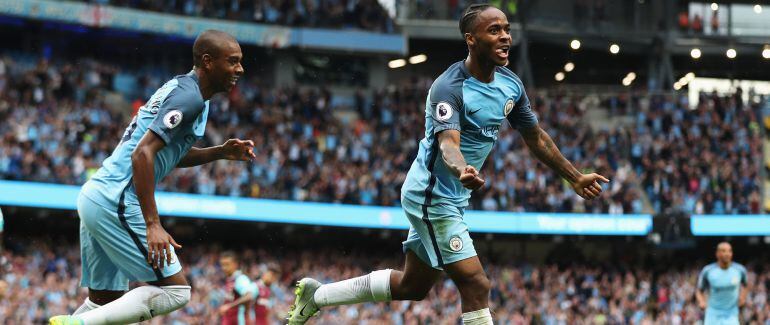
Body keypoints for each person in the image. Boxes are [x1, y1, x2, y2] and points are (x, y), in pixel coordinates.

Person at [287, 4, 609, 325]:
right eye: (494, 30)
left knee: (412, 286)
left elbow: (535, 137)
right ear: (471, 39)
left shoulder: (511, 85)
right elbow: (448, 144)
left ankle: (316, 297)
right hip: (431, 195)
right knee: (476, 283)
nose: (505, 37)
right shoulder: (449, 87)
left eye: (507, 29)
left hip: (453, 197)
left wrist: (575, 177)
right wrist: (461, 169)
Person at [49, 29, 252, 325]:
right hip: (115, 200)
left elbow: (167, 153)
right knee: (176, 292)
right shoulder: (190, 98)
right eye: (233, 61)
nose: (240, 69)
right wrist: (152, 224)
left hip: (97, 196)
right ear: (208, 61)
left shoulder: (189, 93)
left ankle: (77, 322)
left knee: (104, 303)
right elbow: (142, 154)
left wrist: (219, 152)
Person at [696, 242, 747, 325]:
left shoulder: (740, 270)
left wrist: (743, 297)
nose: (727, 254)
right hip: (713, 313)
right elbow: (699, 290)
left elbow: (746, 285)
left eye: (729, 251)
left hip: (731, 313)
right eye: (723, 251)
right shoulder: (708, 271)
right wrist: (701, 301)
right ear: (717, 254)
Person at [218, 251, 256, 325]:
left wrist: (229, 306)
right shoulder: (230, 279)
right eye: (222, 265)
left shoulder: (240, 278)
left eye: (227, 264)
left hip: (238, 321)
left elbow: (249, 296)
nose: (224, 268)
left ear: (235, 264)